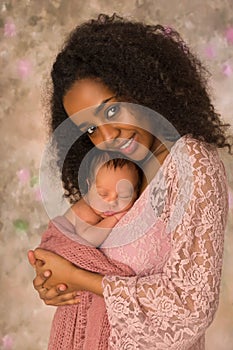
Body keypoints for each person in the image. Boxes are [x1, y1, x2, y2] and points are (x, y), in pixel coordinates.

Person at [28, 13, 232, 349]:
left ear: (142, 89)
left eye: (111, 111)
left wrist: (79, 278)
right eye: (90, 129)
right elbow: (70, 235)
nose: (106, 136)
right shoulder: (120, 170)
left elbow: (191, 307)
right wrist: (53, 279)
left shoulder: (192, 163)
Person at [64, 151, 142, 247]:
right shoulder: (84, 209)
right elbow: (87, 240)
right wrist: (114, 219)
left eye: (124, 196)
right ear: (89, 186)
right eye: (103, 194)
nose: (112, 202)